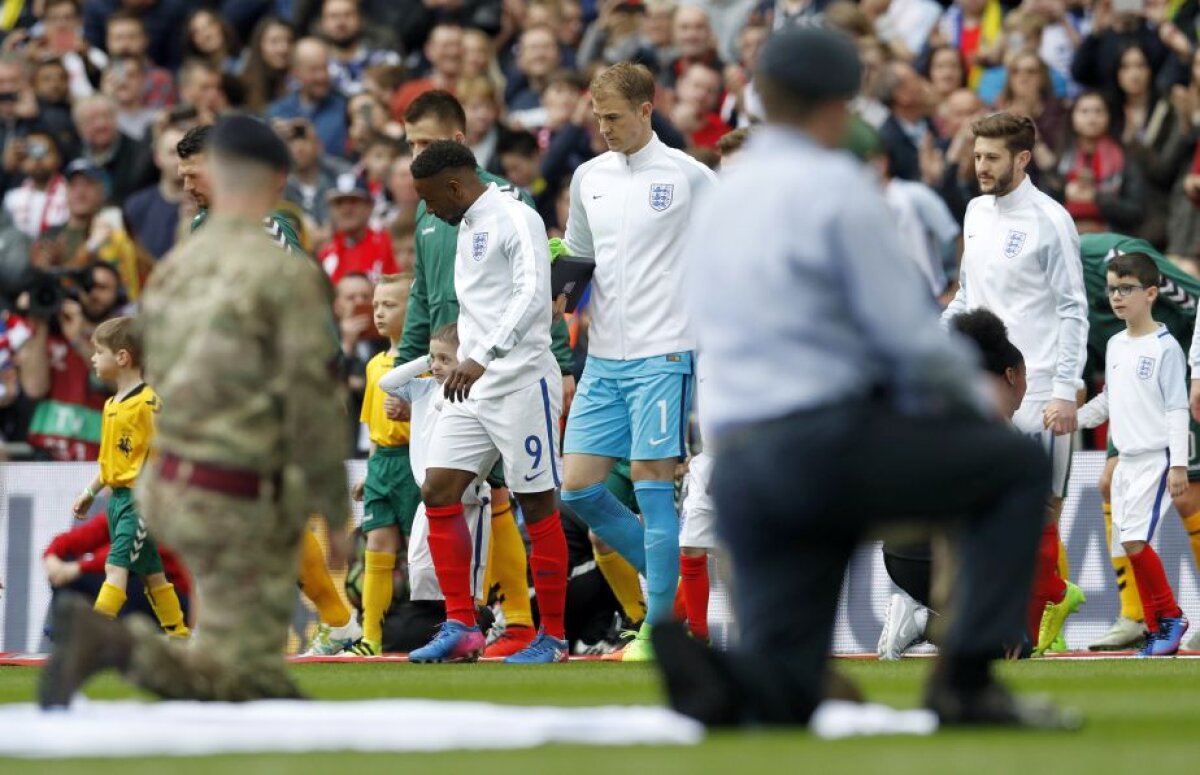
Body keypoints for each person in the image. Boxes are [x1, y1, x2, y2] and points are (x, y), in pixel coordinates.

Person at [658, 24, 1072, 730]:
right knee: (1012, 466)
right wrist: (972, 398)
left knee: (791, 691)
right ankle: (966, 680)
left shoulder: (722, 200)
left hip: (743, 462)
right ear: (836, 103)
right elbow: (907, 336)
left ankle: (735, 680)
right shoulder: (836, 189)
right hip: (827, 443)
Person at [39, 114, 350, 707]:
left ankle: (262, 684)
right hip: (238, 471)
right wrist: (332, 504)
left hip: (180, 470)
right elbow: (310, 382)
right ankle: (110, 646)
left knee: (237, 650)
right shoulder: (271, 252)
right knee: (238, 667)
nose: (184, 188)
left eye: (192, 176)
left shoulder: (183, 260)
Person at [397, 89, 577, 660]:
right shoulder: (466, 220)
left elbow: (532, 291)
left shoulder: (514, 215)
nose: (428, 209)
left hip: (521, 380)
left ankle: (551, 635)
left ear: (453, 185)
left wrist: (484, 354)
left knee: (538, 504)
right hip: (468, 386)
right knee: (438, 489)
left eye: (430, 198)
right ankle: (461, 626)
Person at [557, 62, 716, 663]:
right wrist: (560, 289)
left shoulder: (688, 177)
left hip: (663, 351)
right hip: (603, 356)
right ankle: (669, 587)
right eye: (597, 118)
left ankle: (660, 625)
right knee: (578, 489)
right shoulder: (588, 177)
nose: (604, 129)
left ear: (647, 109)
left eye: (615, 117)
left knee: (652, 486)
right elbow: (579, 258)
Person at [942, 110, 1089, 655]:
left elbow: (1075, 309)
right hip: (984, 387)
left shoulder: (1051, 221)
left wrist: (1064, 389)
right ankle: (1048, 595)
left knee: (1039, 509)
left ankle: (1019, 634)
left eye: (991, 158)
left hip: (1041, 382)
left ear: (1022, 159)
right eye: (977, 155)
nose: (980, 166)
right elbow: (965, 294)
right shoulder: (976, 211)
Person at [1049, 252, 1190, 656]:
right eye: (1112, 289)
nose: (1117, 296)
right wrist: (1073, 418)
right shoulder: (1114, 344)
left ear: (1150, 293)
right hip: (1125, 460)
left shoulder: (1166, 348)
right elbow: (1110, 400)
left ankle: (1171, 618)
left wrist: (1178, 464)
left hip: (1153, 459)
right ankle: (1155, 626)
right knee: (1127, 546)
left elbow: (1177, 408)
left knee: (1134, 543)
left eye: (1126, 289)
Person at [878, 307, 1029, 660]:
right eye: (1026, 377)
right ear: (1011, 375)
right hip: (941, 555)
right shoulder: (996, 428)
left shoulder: (928, 405)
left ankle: (934, 619)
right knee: (1008, 645)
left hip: (897, 553)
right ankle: (921, 621)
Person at [70, 315, 189, 636]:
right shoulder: (111, 405)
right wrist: (90, 491)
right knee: (152, 574)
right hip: (118, 500)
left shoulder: (149, 404)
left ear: (122, 357)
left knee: (114, 565)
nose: (93, 358)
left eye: (98, 351)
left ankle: (92, 633)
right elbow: (110, 461)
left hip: (140, 501)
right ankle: (178, 633)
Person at [379, 322, 492, 645]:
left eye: (446, 359)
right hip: (428, 498)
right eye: (435, 359)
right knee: (424, 568)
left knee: (470, 569)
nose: (439, 366)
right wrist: (426, 361)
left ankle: (476, 622)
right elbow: (387, 382)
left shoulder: (472, 393)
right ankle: (450, 626)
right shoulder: (424, 389)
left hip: (469, 496)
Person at [346, 273, 421, 655]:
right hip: (383, 465)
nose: (378, 312)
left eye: (389, 305)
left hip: (414, 463)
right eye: (376, 305)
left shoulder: (424, 362)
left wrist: (413, 413)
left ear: (413, 310)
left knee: (421, 549)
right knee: (377, 544)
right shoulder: (375, 364)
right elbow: (375, 428)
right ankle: (371, 637)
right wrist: (370, 473)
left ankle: (464, 620)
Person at [318, 174, 399, 284]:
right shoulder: (325, 255)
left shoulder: (389, 246)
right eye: (339, 203)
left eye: (353, 201)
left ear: (370, 206)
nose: (346, 209)